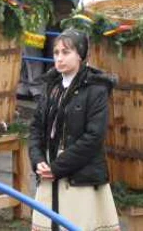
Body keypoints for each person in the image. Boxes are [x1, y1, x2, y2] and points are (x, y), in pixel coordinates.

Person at [29, 29, 120, 231]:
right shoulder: (50, 86)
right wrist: (38, 161)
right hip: (48, 171)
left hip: (81, 177)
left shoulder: (96, 89)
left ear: (80, 54)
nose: (59, 58)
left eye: (65, 52)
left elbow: (93, 137)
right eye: (56, 53)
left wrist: (58, 167)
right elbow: (36, 128)